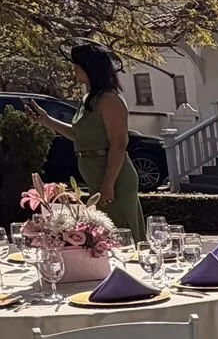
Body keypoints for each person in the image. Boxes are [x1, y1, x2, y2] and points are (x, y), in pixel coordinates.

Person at [24, 43, 144, 239]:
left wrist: (108, 184)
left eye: (77, 65)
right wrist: (46, 120)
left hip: (114, 176)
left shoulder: (109, 99)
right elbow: (78, 135)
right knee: (100, 235)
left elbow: (119, 144)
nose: (74, 69)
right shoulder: (89, 99)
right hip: (94, 172)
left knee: (121, 231)